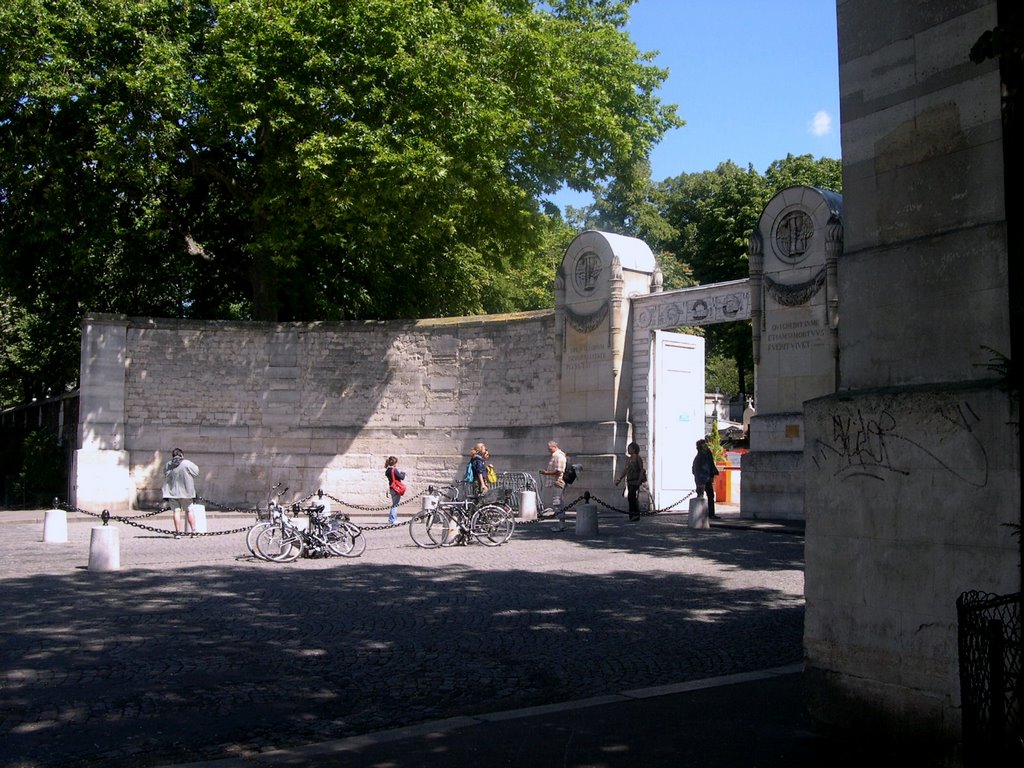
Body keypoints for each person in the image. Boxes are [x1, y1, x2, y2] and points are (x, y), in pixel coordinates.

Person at [162, 448, 199, 539]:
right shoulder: (187, 463)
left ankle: (177, 532)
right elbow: (196, 472)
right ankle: (193, 531)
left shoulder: (168, 464)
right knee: (189, 510)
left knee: (176, 511)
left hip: (172, 492)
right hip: (186, 492)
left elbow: (165, 474)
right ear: (182, 455)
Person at [539, 440, 567, 531]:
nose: (549, 450)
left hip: (558, 482)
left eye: (550, 448)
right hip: (555, 482)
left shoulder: (559, 456)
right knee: (558, 503)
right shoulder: (555, 456)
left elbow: (559, 471)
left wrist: (546, 473)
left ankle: (561, 524)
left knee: (557, 503)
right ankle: (561, 523)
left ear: (555, 447)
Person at [615, 441, 645, 522]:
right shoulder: (628, 459)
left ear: (634, 449)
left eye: (630, 448)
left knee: (632, 496)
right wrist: (620, 479)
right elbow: (625, 470)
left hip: (635, 480)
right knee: (630, 497)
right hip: (629, 480)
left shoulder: (637, 458)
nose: (628, 450)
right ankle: (632, 515)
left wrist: (639, 480)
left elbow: (641, 469)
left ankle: (636, 514)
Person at [692, 438, 720, 519]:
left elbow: (711, 465)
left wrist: (712, 476)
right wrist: (699, 482)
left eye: (705, 444)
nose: (706, 446)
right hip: (701, 480)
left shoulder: (708, 454)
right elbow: (695, 471)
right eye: (704, 445)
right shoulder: (698, 457)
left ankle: (711, 514)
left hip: (708, 479)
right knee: (700, 496)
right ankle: (699, 515)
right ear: (700, 447)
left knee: (711, 496)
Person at [384, 456, 406, 524]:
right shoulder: (394, 470)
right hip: (396, 488)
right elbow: (402, 477)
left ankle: (391, 519)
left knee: (394, 504)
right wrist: (403, 473)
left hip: (391, 488)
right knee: (395, 504)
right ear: (394, 463)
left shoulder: (387, 470)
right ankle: (393, 519)